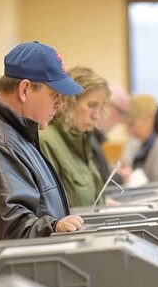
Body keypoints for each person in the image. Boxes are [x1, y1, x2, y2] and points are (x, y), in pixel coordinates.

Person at [0, 41, 85, 257]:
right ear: (25, 89)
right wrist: (54, 228)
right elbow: (9, 233)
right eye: (55, 94)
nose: (60, 104)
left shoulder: (14, 132)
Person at [40, 66, 110, 207]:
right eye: (91, 105)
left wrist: (103, 205)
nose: (97, 116)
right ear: (68, 102)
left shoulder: (82, 139)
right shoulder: (46, 140)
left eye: (100, 107)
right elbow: (52, 210)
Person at [120, 94, 158, 186]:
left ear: (150, 118)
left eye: (132, 124)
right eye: (127, 125)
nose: (129, 131)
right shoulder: (134, 142)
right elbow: (123, 166)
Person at [90, 85, 130, 185]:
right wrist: (121, 177)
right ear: (107, 105)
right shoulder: (89, 136)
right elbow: (99, 181)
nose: (122, 120)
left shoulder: (95, 137)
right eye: (121, 112)